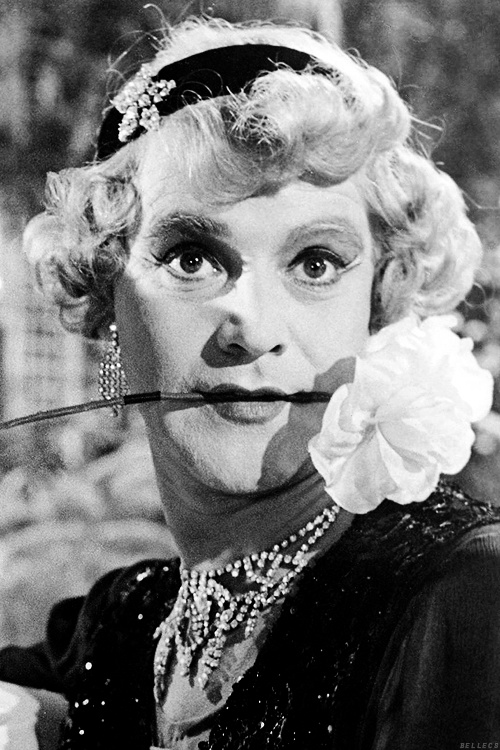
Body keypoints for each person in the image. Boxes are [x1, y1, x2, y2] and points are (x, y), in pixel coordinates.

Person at [1, 15, 500, 750]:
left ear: (378, 305)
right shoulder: (122, 624)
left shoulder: (463, 596)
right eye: (191, 257)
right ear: (109, 295)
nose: (254, 327)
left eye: (316, 263)